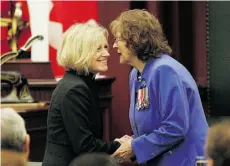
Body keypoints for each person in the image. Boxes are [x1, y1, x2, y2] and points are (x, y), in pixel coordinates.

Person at [109, 9, 209, 166]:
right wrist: (133, 141)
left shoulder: (164, 70)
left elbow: (175, 128)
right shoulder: (136, 74)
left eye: (117, 39)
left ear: (134, 40)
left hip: (185, 160)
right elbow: (152, 123)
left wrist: (135, 147)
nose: (114, 45)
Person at [42, 20, 120, 166]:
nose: (107, 54)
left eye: (105, 47)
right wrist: (119, 146)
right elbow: (85, 145)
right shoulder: (75, 89)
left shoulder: (79, 83)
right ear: (81, 52)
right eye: (98, 49)